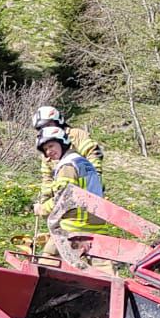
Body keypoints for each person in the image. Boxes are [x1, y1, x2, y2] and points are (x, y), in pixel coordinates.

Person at [35, 123, 119, 259]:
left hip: (75, 226)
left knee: (48, 259)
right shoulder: (84, 162)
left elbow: (63, 199)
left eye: (51, 146)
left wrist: (42, 209)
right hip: (97, 227)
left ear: (62, 142)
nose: (49, 152)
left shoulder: (67, 166)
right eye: (45, 149)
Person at [33, 103, 104, 164]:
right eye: (41, 128)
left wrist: (94, 175)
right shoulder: (46, 147)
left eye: (48, 125)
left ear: (58, 121)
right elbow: (47, 175)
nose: (47, 129)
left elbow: (93, 154)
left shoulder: (76, 134)